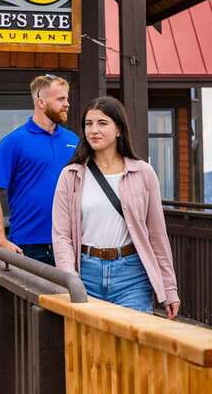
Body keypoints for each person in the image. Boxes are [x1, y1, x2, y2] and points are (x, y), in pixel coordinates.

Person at [52, 96, 180, 318]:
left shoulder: (143, 173)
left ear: (119, 129)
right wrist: (70, 278)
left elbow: (157, 235)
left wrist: (169, 289)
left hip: (132, 275)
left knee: (132, 346)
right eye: (88, 124)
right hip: (86, 273)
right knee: (90, 348)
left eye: (102, 123)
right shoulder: (71, 174)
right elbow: (61, 235)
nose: (93, 130)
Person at [0, 74, 78, 265]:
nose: (67, 104)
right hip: (28, 247)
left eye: (67, 98)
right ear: (41, 102)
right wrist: (1, 241)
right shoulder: (14, 142)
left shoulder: (74, 141)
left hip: (70, 244)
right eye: (60, 99)